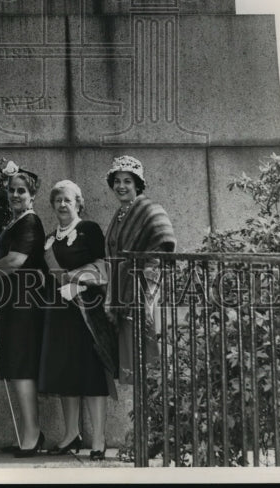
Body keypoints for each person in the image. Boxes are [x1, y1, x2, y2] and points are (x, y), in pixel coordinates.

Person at [38, 179, 118, 462]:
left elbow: (103, 267)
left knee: (92, 375)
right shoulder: (49, 239)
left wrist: (78, 284)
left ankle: (98, 438)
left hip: (87, 313)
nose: (62, 204)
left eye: (67, 200)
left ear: (79, 203)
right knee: (66, 374)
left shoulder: (89, 230)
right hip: (59, 315)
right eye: (57, 200)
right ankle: (71, 433)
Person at [0, 161, 46, 457]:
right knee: (16, 368)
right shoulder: (15, 222)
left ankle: (32, 436)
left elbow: (16, 260)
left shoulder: (30, 222)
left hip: (26, 304)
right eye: (11, 190)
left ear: (32, 196)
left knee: (21, 368)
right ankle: (28, 434)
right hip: (12, 303)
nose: (15, 195)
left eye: (22, 191)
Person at [104, 156, 176, 386]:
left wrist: (145, 295)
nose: (121, 186)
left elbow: (160, 254)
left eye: (127, 181)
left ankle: (156, 416)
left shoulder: (151, 210)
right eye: (117, 181)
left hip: (144, 294)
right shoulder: (119, 215)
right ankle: (143, 416)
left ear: (138, 185)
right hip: (122, 295)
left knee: (150, 362)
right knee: (134, 366)